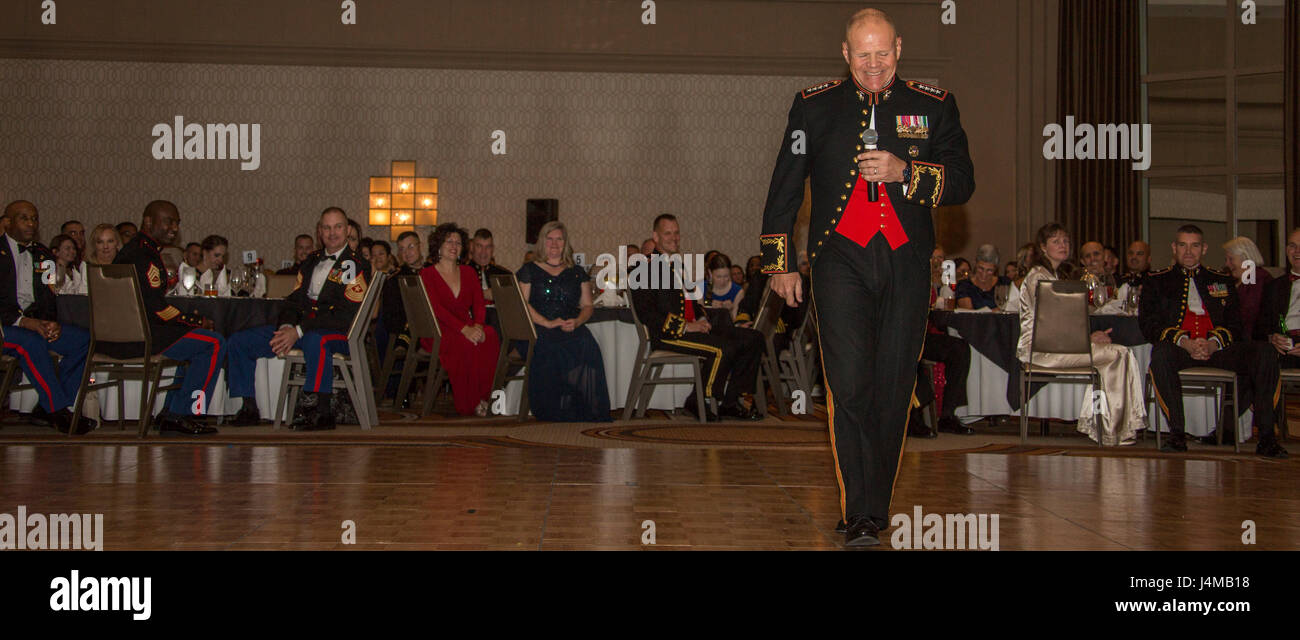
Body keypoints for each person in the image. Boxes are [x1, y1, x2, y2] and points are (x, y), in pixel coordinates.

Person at [760, 8, 976, 546]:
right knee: (849, 383)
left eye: (883, 54)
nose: (874, 65)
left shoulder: (934, 105)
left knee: (894, 385)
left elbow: (963, 182)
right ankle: (859, 510)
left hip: (906, 263)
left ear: (899, 48)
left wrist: (908, 173)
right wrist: (778, 262)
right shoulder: (814, 107)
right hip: (840, 262)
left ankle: (873, 502)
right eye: (863, 55)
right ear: (845, 53)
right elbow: (784, 185)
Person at [1141, 224, 1287, 458]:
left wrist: (1213, 343)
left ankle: (1268, 439)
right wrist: (1184, 341)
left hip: (1218, 350)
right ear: (1174, 248)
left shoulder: (1222, 280)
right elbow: (1149, 325)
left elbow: (1235, 325)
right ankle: (1177, 434)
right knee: (1160, 354)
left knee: (1265, 352)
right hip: (1180, 350)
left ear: (1204, 248)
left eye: (1195, 245)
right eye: (1183, 245)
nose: (1189, 251)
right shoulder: (1156, 280)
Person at [226, 207, 372, 430]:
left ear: (347, 229)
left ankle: (321, 412)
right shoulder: (311, 260)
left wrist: (299, 330)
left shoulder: (353, 264)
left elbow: (344, 314)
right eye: (327, 227)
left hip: (339, 333)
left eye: (338, 227)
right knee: (240, 341)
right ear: (319, 232)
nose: (332, 233)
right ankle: (248, 407)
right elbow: (293, 301)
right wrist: (286, 326)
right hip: (303, 329)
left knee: (316, 340)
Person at [1018, 223, 1146, 445]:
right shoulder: (1038, 277)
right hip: (1041, 349)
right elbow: (1051, 324)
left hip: (1060, 345)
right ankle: (1111, 430)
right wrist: (1088, 338)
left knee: (1121, 352)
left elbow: (1065, 320)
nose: (1063, 245)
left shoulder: (1056, 274)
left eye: (1066, 240)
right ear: (1043, 248)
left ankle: (1110, 426)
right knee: (1116, 355)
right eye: (1056, 241)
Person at [108, 200, 224, 435]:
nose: (174, 228)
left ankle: (170, 413)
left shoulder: (134, 249)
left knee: (195, 339)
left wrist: (188, 323)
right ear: (148, 222)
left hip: (122, 334)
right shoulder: (144, 255)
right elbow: (157, 308)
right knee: (213, 342)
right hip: (140, 337)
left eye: (177, 223)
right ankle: (185, 414)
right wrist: (194, 321)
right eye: (168, 221)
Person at [633, 214, 764, 421]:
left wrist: (702, 319)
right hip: (669, 334)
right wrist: (686, 326)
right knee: (724, 348)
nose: (674, 238)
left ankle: (730, 401)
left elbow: (694, 302)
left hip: (693, 327)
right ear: (655, 237)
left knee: (753, 338)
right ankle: (697, 401)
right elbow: (647, 314)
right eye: (668, 233)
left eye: (676, 233)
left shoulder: (677, 265)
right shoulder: (644, 269)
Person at [0, 202, 95, 434]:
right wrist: (25, 322)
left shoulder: (43, 255)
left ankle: (46, 408)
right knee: (30, 341)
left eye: (34, 219)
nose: (31, 223)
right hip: (5, 327)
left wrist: (50, 322)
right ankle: (58, 410)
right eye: (24, 218)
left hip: (32, 325)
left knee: (84, 339)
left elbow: (48, 297)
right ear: (7, 222)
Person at [516, 221, 611, 422]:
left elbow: (587, 306)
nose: (554, 244)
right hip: (537, 327)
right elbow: (522, 305)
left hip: (569, 324)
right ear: (542, 242)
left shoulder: (576, 271)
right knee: (551, 346)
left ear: (565, 243)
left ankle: (586, 408)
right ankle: (554, 410)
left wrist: (577, 322)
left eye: (559, 239)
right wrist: (546, 322)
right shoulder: (529, 270)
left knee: (587, 343)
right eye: (549, 239)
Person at [421, 223, 499, 416]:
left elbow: (479, 304)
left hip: (468, 326)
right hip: (439, 330)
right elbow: (436, 309)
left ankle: (485, 397)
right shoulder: (427, 274)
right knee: (465, 343)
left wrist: (478, 326)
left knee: (490, 336)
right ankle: (469, 403)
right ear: (438, 245)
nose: (454, 245)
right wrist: (464, 329)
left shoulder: (468, 272)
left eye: (458, 242)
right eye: (449, 241)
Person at [1223, 236, 1271, 337]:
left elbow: (1247, 317)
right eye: (1226, 259)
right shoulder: (1235, 280)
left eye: (1231, 259)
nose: (1227, 264)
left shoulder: (1257, 278)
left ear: (1246, 258)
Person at [955, 244, 1010, 310]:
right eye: (981, 268)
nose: (984, 274)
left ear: (996, 269)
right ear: (975, 264)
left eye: (989, 270)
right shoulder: (964, 286)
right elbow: (969, 315)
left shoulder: (1004, 283)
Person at [704, 254, 744, 318]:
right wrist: (708, 306)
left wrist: (729, 311)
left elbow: (735, 323)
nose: (722, 281)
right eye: (718, 277)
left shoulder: (738, 291)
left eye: (726, 276)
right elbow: (697, 318)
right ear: (710, 273)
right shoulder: (702, 288)